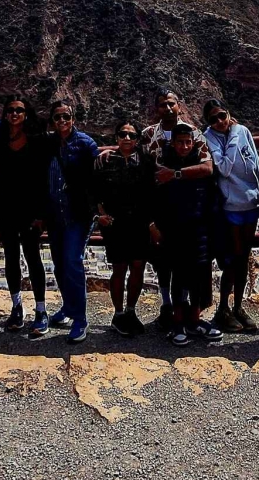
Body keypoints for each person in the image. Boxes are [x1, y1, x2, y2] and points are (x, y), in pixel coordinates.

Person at [154, 122, 222, 345]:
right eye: (180, 142)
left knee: (199, 277)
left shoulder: (200, 165)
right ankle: (177, 323)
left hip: (200, 229)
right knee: (178, 277)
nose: (184, 146)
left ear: (193, 143)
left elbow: (211, 194)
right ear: (173, 143)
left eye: (187, 142)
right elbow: (156, 199)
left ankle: (195, 320)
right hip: (174, 231)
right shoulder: (163, 165)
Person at [0, 96, 53, 338]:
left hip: (31, 210)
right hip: (5, 207)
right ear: (5, 114)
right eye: (10, 110)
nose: (14, 114)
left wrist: (42, 213)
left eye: (19, 110)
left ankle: (41, 310)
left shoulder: (37, 140)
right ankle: (16, 306)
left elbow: (44, 177)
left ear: (26, 114)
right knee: (11, 257)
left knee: (33, 257)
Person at [201, 99, 259, 332]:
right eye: (214, 119)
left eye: (222, 115)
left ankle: (238, 307)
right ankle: (223, 309)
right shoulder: (210, 137)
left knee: (244, 257)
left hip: (251, 202)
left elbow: (255, 163)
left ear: (229, 113)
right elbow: (224, 168)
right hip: (231, 206)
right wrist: (234, 134)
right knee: (232, 259)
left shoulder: (243, 131)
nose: (220, 122)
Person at [137, 90, 197, 331]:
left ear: (179, 105)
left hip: (186, 204)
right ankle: (166, 303)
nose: (168, 108)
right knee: (161, 258)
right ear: (157, 108)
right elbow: (140, 171)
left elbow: (205, 165)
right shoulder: (147, 135)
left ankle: (183, 305)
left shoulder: (193, 133)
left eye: (171, 103)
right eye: (163, 104)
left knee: (184, 258)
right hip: (158, 204)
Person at [93, 119, 155, 337]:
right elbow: (94, 190)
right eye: (122, 134)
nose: (127, 138)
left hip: (139, 223)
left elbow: (152, 192)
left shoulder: (146, 162)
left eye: (131, 135)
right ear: (116, 137)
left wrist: (151, 222)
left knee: (138, 266)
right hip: (115, 224)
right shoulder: (104, 161)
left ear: (137, 139)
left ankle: (131, 311)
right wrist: (100, 214)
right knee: (119, 268)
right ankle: (118, 313)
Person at [46, 99, 99, 344]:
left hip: (78, 214)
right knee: (59, 264)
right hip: (54, 214)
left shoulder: (85, 144)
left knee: (72, 261)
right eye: (57, 117)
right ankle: (68, 307)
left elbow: (97, 178)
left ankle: (80, 318)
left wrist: (97, 209)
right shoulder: (48, 143)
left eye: (66, 116)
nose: (62, 121)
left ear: (73, 118)